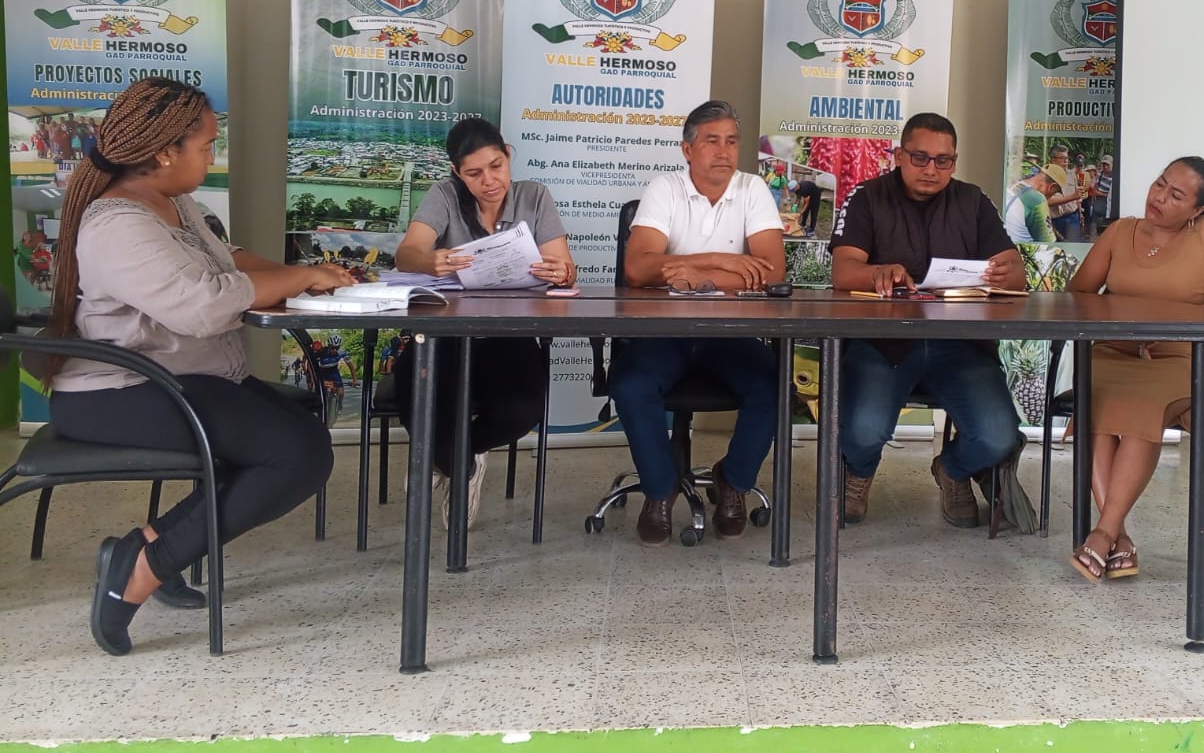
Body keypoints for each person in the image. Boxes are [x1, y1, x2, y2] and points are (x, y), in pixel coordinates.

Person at [46, 76, 352, 657]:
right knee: (296, 455)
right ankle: (142, 566)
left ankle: (157, 548)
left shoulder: (172, 201)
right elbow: (204, 306)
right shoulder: (118, 224)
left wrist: (308, 277)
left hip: (181, 379)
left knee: (301, 433)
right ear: (166, 151)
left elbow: (226, 260)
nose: (214, 155)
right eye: (208, 144)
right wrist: (299, 279)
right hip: (118, 393)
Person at [830, 113, 1027, 528]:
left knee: (998, 436)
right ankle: (859, 471)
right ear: (899, 155)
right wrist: (877, 272)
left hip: (960, 344)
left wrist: (1005, 272)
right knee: (863, 430)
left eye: (943, 160)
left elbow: (1014, 270)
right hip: (882, 342)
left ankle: (952, 470)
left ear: (954, 161)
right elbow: (843, 271)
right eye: (919, 157)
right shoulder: (867, 196)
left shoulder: (972, 201)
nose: (931, 169)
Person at [1065, 157, 1204, 581]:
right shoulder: (1120, 231)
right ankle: (1118, 536)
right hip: (1113, 351)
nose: (1159, 197)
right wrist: (1123, 322)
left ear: (1197, 209)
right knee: (1096, 400)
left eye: (1176, 195)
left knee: (1142, 403)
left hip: (1180, 357)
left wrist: (1167, 323)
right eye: (1160, 184)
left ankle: (1103, 532)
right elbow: (1078, 295)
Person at [611, 100, 782, 545]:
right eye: (711, 141)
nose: (724, 151)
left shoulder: (752, 189)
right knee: (630, 384)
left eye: (732, 141)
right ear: (688, 150)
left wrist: (694, 275)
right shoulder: (665, 189)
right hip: (665, 332)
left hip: (729, 334)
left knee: (773, 385)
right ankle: (659, 489)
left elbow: (772, 273)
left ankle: (733, 481)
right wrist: (722, 261)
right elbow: (638, 269)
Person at [393, 116, 576, 529]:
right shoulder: (444, 195)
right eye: (474, 173)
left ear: (508, 155)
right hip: (446, 333)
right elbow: (407, 254)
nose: (489, 181)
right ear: (457, 172)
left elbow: (566, 267)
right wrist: (429, 261)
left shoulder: (534, 196)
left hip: (511, 332)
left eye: (496, 166)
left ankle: (452, 458)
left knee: (522, 408)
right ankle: (462, 465)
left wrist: (562, 273)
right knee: (414, 391)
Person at [1004, 163, 1069, 244]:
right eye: (1054, 193)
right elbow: (1049, 243)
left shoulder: (1017, 185)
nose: (1051, 196)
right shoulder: (1038, 200)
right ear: (1051, 186)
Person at [1047, 144, 1086, 241]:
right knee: (1056, 246)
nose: (1066, 161)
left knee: (1074, 246)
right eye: (1062, 158)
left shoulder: (1072, 174)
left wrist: (1080, 213)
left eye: (1067, 158)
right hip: (1055, 219)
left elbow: (1077, 196)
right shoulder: (1047, 176)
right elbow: (1047, 200)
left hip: (1072, 217)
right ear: (1053, 160)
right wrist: (1073, 196)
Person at [1087, 154, 1114, 237]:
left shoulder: (1115, 178)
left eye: (1107, 165)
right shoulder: (1099, 175)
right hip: (1097, 205)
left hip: (1108, 206)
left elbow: (1112, 196)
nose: (1105, 167)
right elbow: (1093, 189)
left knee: (1106, 231)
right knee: (1093, 230)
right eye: (1104, 164)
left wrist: (1100, 193)